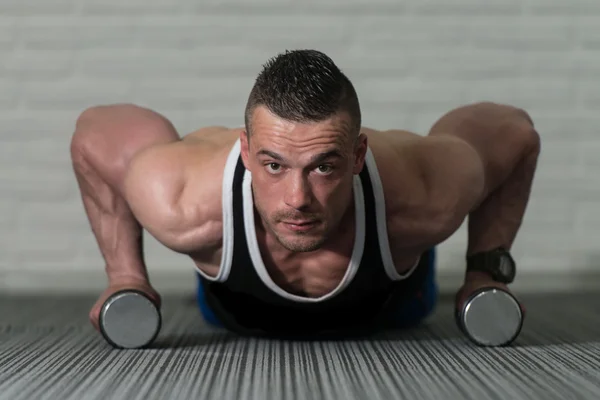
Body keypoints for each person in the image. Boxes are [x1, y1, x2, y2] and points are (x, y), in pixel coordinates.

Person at [70, 49, 540, 339]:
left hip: (394, 307)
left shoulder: (422, 197)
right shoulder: (184, 202)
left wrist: (485, 275)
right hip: (234, 308)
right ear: (247, 152)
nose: (297, 198)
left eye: (323, 167)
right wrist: (125, 277)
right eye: (275, 165)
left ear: (357, 157)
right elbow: (94, 134)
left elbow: (515, 133)